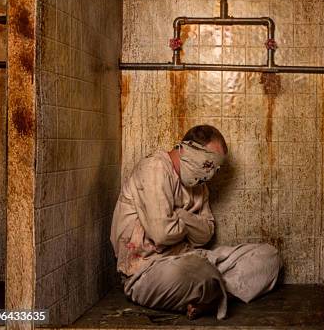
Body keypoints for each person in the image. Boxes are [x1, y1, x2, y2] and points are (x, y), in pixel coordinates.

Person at [110, 125, 282, 319]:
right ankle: (215, 292)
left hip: (191, 257)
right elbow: (162, 234)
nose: (211, 174)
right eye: (208, 164)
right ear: (187, 149)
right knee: (200, 273)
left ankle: (211, 297)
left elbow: (205, 235)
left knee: (269, 257)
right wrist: (191, 225)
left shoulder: (199, 186)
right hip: (148, 271)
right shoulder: (155, 168)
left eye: (216, 168)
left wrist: (180, 215)